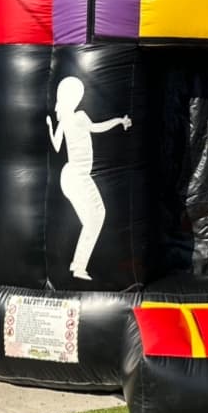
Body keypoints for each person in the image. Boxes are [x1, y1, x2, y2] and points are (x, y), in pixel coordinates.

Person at [47, 76, 132, 281]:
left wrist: (50, 126)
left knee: (92, 220)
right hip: (78, 176)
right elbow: (97, 127)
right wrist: (119, 121)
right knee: (97, 216)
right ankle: (79, 266)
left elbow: (56, 146)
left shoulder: (65, 120)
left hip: (69, 176)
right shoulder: (79, 116)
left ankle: (78, 265)